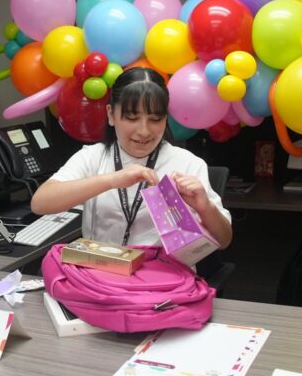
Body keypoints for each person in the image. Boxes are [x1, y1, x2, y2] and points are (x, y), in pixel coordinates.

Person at [31, 67, 232, 249]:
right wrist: (110, 180)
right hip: (102, 269)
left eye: (155, 119)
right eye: (132, 118)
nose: (144, 131)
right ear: (111, 114)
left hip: (162, 273)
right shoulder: (93, 157)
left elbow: (224, 240)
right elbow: (40, 203)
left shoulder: (187, 163)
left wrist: (205, 207)